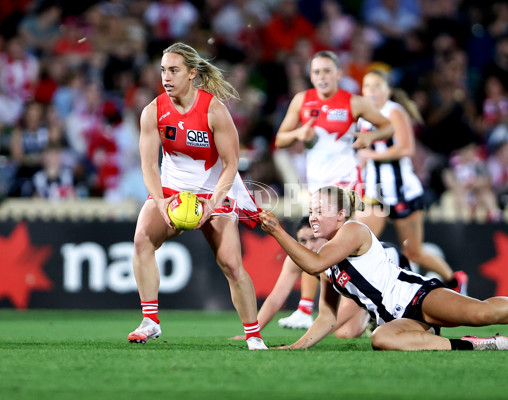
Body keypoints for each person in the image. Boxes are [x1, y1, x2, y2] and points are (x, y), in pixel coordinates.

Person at [258, 185, 508, 351]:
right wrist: (294, 348)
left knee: (481, 312)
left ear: (341, 215)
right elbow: (327, 317)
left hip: (416, 295)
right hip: (397, 320)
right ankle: (475, 345)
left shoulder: (352, 231)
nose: (313, 216)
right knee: (380, 339)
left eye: (320, 210)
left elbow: (312, 260)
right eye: (312, 210)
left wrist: (276, 230)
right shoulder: (327, 267)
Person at [127, 42, 267, 350]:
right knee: (141, 240)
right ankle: (150, 321)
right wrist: (160, 201)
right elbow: (149, 165)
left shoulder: (214, 110)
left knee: (231, 264)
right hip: (172, 189)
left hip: (214, 190)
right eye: (163, 70)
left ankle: (254, 335)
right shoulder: (153, 112)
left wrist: (213, 203)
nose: (166, 77)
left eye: (174, 70)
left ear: (192, 73)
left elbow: (231, 165)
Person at [274, 50, 394, 329]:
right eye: (316, 72)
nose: (322, 77)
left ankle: (321, 309)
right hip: (317, 187)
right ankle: (309, 309)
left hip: (346, 188)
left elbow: (387, 127)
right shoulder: (302, 101)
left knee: (327, 247)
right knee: (315, 244)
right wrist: (298, 135)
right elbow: (280, 139)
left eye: (327, 71)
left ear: (339, 74)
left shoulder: (353, 102)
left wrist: (370, 137)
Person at [355, 69, 468, 291]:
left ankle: (454, 281)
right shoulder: (361, 115)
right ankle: (367, 302)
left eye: (378, 86)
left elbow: (406, 148)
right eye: (368, 86)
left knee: (413, 252)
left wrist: (371, 155)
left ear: (388, 90)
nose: (372, 91)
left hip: (402, 192)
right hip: (375, 192)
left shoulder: (394, 112)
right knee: (358, 245)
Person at [231, 216, 405, 339]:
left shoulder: (342, 254)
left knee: (348, 331)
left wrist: (316, 332)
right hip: (360, 287)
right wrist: (252, 332)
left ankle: (372, 314)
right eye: (302, 241)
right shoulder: (295, 260)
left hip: (393, 265)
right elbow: (276, 298)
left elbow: (352, 302)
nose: (309, 246)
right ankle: (371, 316)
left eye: (314, 239)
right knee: (344, 333)